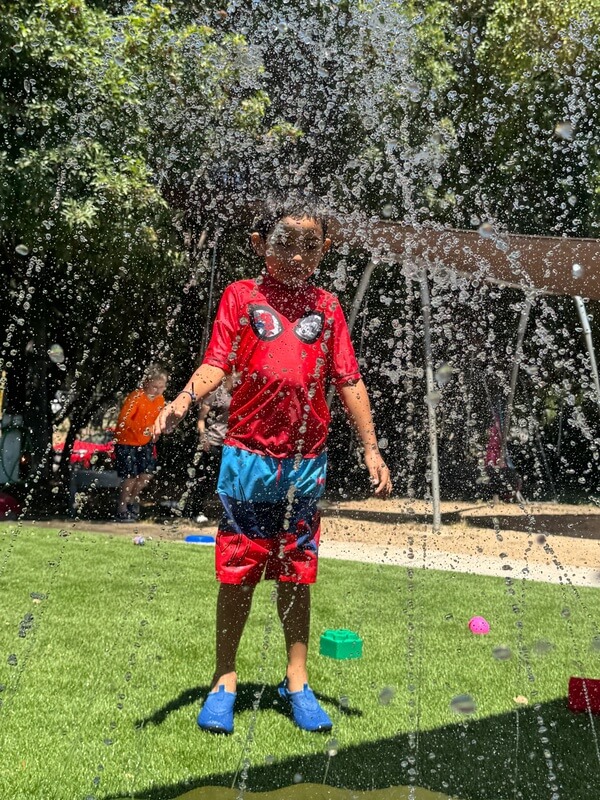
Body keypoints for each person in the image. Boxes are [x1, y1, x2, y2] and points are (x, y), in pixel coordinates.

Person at [153, 197, 392, 734]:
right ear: (262, 245)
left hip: (305, 463)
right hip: (246, 458)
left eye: (311, 247)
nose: (298, 257)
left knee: (297, 571)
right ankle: (224, 678)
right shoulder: (242, 296)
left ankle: (297, 679)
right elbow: (217, 361)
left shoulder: (328, 308)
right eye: (285, 244)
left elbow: (348, 380)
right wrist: (183, 401)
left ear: (325, 250)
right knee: (237, 571)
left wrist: (370, 448)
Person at [114, 365, 168, 521]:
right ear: (146, 383)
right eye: (154, 387)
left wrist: (158, 429)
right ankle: (122, 507)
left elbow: (158, 418)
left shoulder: (160, 400)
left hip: (145, 442)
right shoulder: (136, 396)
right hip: (127, 441)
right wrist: (144, 429)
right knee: (130, 476)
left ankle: (131, 501)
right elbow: (124, 420)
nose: (158, 390)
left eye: (161, 387)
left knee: (146, 475)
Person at [187, 372, 234, 524]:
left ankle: (228, 513)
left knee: (227, 480)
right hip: (213, 441)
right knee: (205, 478)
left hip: (231, 444)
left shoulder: (241, 393)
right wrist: (203, 437)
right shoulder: (217, 393)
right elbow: (201, 419)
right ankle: (196, 510)